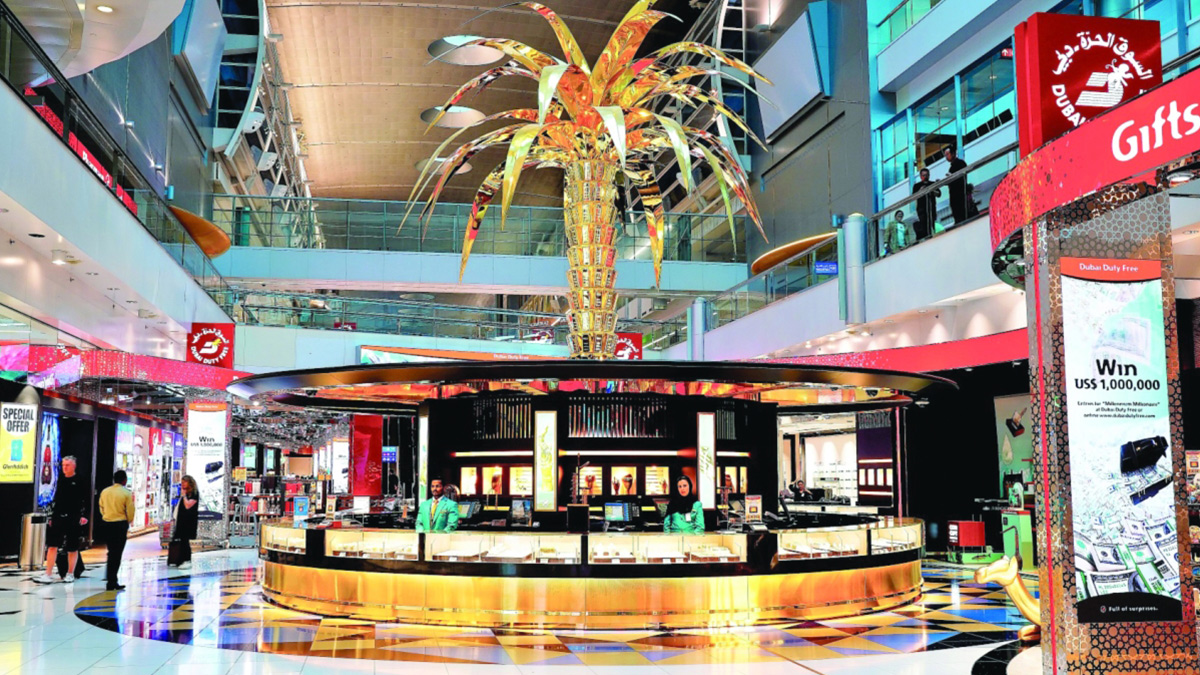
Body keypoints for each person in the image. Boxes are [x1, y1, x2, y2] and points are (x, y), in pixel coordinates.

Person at [33, 456, 87, 584]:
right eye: (63, 465)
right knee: (52, 545)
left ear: (74, 466)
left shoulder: (80, 480)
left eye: (67, 465)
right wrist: (53, 516)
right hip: (59, 516)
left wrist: (83, 516)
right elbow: (57, 499)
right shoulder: (60, 480)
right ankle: (48, 573)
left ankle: (70, 573)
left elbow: (85, 499)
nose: (65, 468)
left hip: (73, 517)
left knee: (72, 546)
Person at [98, 470, 135, 591]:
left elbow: (101, 507)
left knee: (111, 551)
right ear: (124, 480)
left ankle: (111, 579)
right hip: (120, 524)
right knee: (117, 553)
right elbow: (130, 511)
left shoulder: (105, 492)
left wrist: (106, 516)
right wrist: (128, 521)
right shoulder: (126, 493)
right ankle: (112, 580)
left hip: (107, 523)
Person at [169, 475, 199, 569]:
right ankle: (178, 559)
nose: (182, 484)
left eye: (184, 482)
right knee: (181, 540)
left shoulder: (194, 494)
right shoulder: (185, 493)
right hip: (181, 521)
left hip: (189, 521)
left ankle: (187, 560)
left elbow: (188, 505)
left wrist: (184, 495)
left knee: (185, 541)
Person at [912, 168, 940, 241]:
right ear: (920, 176)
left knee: (932, 223)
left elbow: (939, 194)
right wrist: (920, 190)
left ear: (929, 175)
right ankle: (927, 238)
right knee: (924, 225)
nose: (925, 177)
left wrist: (932, 190)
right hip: (922, 209)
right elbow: (913, 197)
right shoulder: (917, 185)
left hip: (931, 208)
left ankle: (933, 237)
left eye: (927, 175)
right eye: (923, 175)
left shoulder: (932, 183)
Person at [943, 146, 969, 224]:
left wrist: (951, 178)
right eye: (945, 155)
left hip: (960, 194)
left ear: (953, 153)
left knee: (961, 213)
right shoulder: (952, 167)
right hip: (954, 195)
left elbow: (961, 178)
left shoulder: (960, 163)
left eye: (948, 154)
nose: (946, 157)